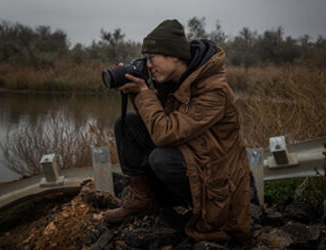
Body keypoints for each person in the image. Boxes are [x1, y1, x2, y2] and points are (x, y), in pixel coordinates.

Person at [103, 19, 251, 241]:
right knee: (126, 124)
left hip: (218, 186)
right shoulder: (174, 82)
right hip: (195, 160)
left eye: (152, 58)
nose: (149, 65)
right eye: (146, 59)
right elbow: (158, 122)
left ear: (174, 56)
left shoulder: (214, 91)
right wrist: (136, 89)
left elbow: (165, 133)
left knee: (161, 158)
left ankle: (195, 211)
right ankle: (144, 200)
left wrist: (143, 92)